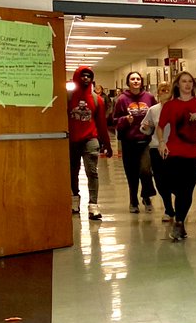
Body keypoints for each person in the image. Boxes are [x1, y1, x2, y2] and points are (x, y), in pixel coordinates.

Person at [158, 71, 196, 241]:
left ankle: (179, 222)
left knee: (186, 190)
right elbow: (161, 126)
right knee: (172, 187)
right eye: (184, 81)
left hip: (195, 153)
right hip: (174, 152)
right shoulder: (170, 105)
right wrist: (161, 142)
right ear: (177, 85)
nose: (187, 84)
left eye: (190, 81)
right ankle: (178, 219)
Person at [68, 66, 113, 220]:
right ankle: (74, 198)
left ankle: (93, 204)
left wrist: (107, 144)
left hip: (90, 139)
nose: (85, 79)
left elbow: (101, 124)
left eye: (88, 76)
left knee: (92, 172)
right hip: (72, 140)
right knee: (72, 171)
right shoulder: (68, 97)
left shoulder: (96, 99)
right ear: (76, 78)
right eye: (83, 76)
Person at [114, 71, 158, 213]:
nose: (135, 81)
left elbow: (157, 114)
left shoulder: (149, 97)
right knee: (131, 173)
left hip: (146, 140)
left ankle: (146, 195)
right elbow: (114, 121)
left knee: (145, 171)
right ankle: (133, 200)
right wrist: (125, 120)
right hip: (129, 141)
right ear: (128, 82)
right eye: (132, 79)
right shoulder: (122, 99)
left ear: (141, 81)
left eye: (138, 79)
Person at [140, 81, 174, 221]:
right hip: (156, 148)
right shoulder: (153, 110)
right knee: (160, 180)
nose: (165, 91)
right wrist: (145, 127)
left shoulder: (178, 107)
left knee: (175, 180)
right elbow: (146, 129)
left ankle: (180, 206)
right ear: (158, 93)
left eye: (168, 89)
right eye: (162, 89)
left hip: (175, 149)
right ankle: (168, 208)